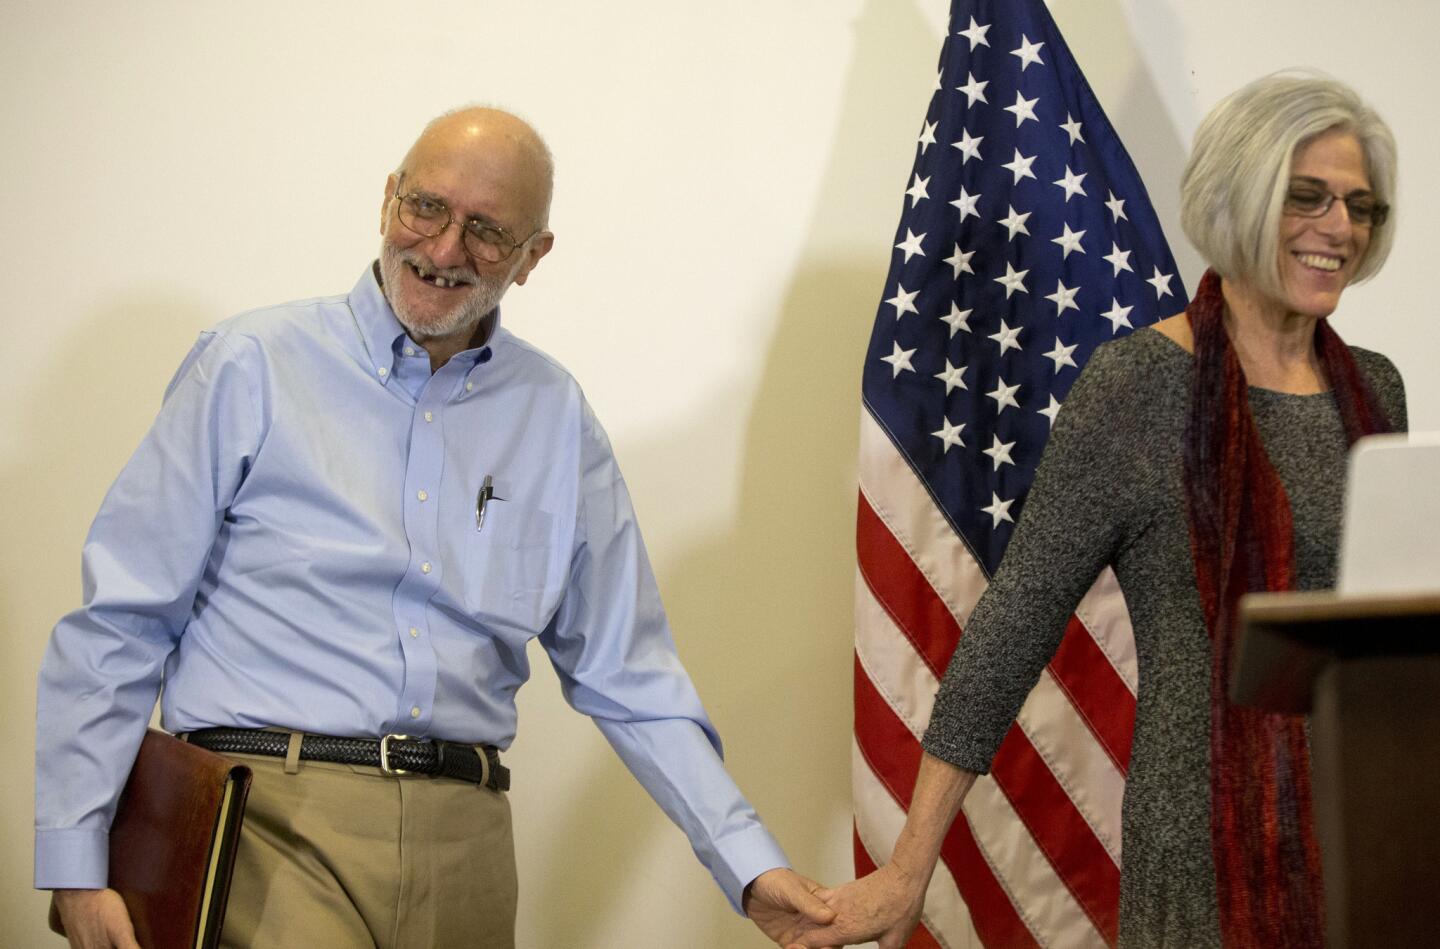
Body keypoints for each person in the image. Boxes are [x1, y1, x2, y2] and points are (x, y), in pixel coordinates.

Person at [35, 107, 833, 948]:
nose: (445, 250)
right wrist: (77, 864)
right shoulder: (249, 365)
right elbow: (122, 619)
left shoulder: (556, 416)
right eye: (426, 208)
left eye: (489, 231)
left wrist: (749, 865)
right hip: (267, 821)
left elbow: (628, 672)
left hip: (470, 838)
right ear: (388, 201)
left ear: (533, 258)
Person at [788, 72, 1406, 948]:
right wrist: (907, 868)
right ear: (1240, 194)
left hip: (1367, 827)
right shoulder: (1141, 385)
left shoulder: (1376, 389)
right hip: (1204, 854)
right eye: (1306, 197)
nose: (1338, 228)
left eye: (1360, 206)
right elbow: (1014, 623)